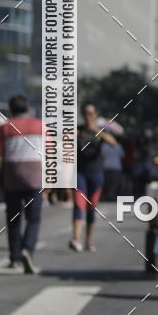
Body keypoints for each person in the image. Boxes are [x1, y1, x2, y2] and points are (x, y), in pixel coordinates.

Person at [0, 94, 43, 274]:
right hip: (35, 177)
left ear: (11, 109)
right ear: (27, 108)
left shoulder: (4, 128)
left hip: (11, 177)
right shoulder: (40, 126)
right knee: (34, 218)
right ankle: (27, 249)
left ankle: (14, 258)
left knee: (13, 219)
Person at [69, 103, 117, 252]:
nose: (87, 116)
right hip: (79, 173)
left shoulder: (100, 131)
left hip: (96, 173)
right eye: (85, 113)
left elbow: (113, 143)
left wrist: (97, 131)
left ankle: (89, 240)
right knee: (79, 205)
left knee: (91, 208)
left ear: (95, 115)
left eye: (90, 113)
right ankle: (76, 239)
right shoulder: (78, 130)